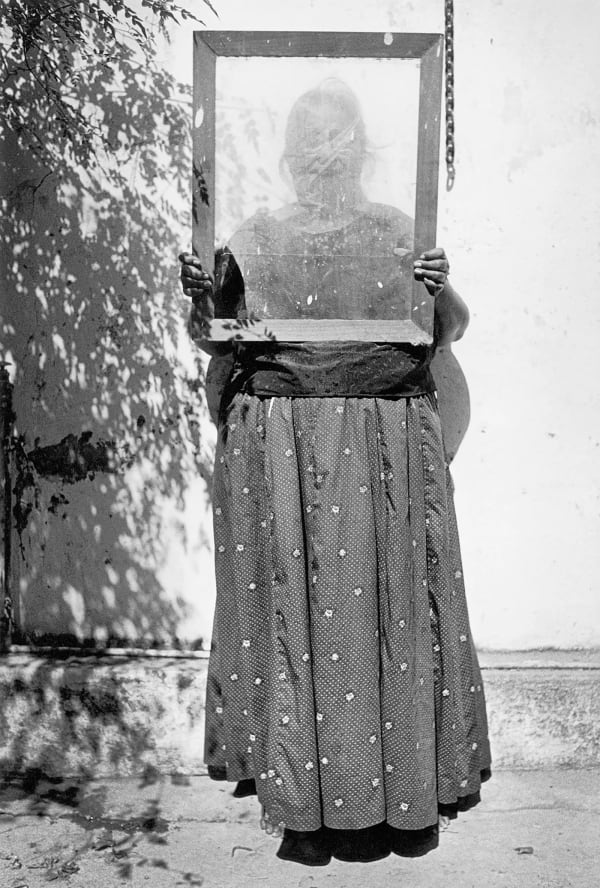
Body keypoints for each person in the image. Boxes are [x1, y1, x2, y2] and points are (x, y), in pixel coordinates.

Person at [179, 78, 491, 867]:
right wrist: (199, 293)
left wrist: (437, 279)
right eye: (311, 148)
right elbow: (217, 338)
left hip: (384, 433)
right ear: (291, 158)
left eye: (336, 145)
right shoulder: (252, 239)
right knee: (298, 611)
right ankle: (306, 810)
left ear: (357, 150)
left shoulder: (397, 233)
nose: (324, 161)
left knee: (389, 606)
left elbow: (448, 327)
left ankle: (404, 803)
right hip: (283, 439)